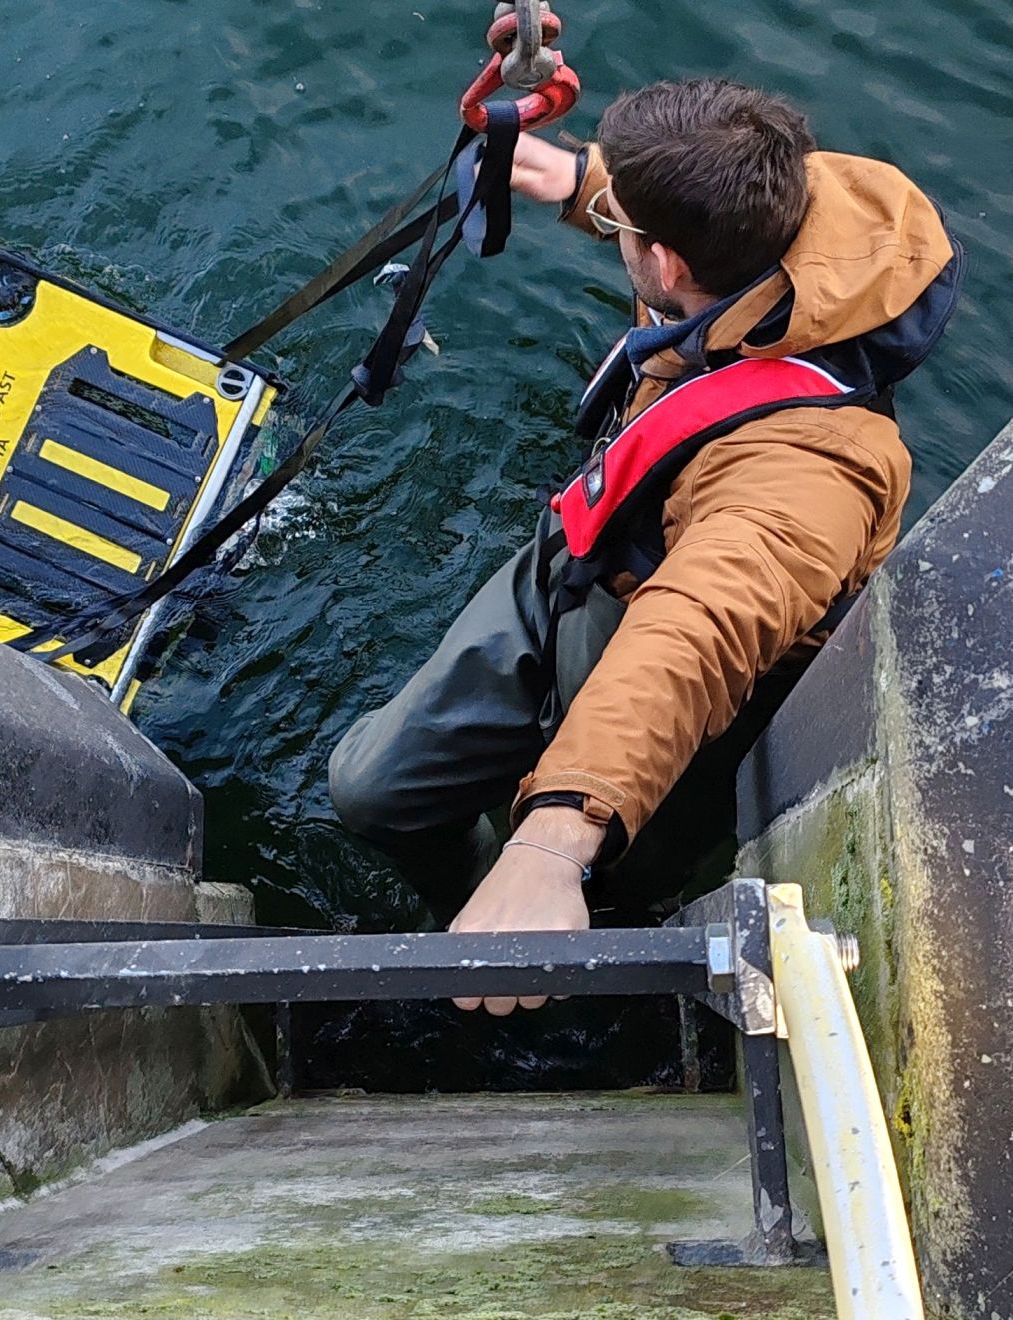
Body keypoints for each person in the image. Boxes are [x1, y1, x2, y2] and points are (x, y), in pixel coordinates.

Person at [327, 78, 961, 1013]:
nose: (611, 226)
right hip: (592, 554)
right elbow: (681, 218)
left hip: (693, 668)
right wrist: (580, 180)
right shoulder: (774, 213)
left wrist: (552, 843)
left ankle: (552, 919)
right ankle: (478, 900)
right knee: (373, 789)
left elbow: (695, 631)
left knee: (614, 883)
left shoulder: (814, 472)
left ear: (663, 262)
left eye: (619, 222)